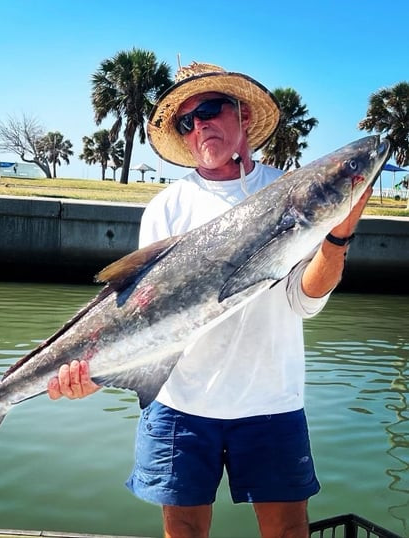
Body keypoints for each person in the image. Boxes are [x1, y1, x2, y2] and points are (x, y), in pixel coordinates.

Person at [47, 62, 371, 538]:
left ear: (241, 114)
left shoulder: (287, 192)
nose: (199, 125)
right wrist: (99, 371)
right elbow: (146, 316)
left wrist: (337, 238)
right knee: (184, 530)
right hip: (179, 403)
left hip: (270, 400)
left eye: (210, 110)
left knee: (286, 530)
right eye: (187, 120)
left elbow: (304, 300)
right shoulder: (167, 208)